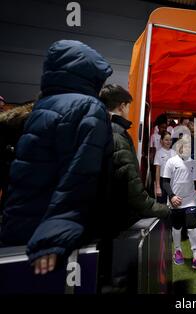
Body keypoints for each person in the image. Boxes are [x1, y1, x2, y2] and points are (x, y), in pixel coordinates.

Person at [0, 40, 114, 275]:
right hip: (54, 238)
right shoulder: (88, 106)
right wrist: (56, 231)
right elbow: (81, 172)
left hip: (22, 224)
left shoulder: (41, 106)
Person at [99, 84, 170, 230]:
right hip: (116, 217)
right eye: (128, 107)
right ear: (122, 106)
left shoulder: (99, 128)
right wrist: (164, 210)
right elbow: (131, 188)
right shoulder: (117, 135)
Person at [162, 135, 196, 271]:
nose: (186, 148)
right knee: (176, 227)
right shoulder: (171, 162)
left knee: (192, 225)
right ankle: (177, 251)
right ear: (178, 147)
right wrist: (172, 196)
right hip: (175, 201)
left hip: (190, 200)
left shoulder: (193, 163)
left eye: (188, 146)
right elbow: (165, 182)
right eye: (183, 146)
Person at [154, 131, 176, 204]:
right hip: (162, 180)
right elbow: (157, 170)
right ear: (161, 141)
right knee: (161, 204)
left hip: (173, 180)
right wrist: (158, 187)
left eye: (170, 140)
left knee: (173, 203)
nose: (169, 142)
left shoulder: (174, 152)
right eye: (166, 140)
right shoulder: (159, 152)